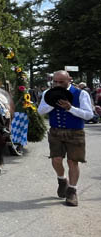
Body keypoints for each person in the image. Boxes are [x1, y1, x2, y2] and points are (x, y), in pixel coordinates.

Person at [37, 70, 95, 207]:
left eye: (61, 82)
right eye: (55, 81)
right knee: (56, 159)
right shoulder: (48, 93)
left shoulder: (81, 93)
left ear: (69, 79)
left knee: (72, 161)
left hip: (75, 132)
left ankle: (72, 191)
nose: (57, 84)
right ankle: (62, 180)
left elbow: (89, 115)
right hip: (56, 131)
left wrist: (71, 108)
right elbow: (40, 111)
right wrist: (53, 102)